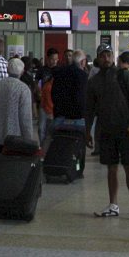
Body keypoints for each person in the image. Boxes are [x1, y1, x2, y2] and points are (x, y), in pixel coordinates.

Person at [85, 45, 129, 222]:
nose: (106, 58)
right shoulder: (94, 81)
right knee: (111, 167)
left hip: (127, 130)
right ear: (97, 58)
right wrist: (87, 131)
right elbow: (89, 109)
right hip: (107, 130)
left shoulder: (124, 75)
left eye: (108, 55)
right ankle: (113, 205)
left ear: (113, 56)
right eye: (102, 55)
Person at [0, 57, 37, 187]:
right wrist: (29, 140)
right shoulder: (23, 89)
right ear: (22, 72)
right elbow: (25, 118)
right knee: (11, 169)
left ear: (7, 70)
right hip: (14, 139)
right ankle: (8, 194)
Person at [51, 48, 90, 176]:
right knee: (78, 147)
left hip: (59, 116)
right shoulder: (82, 75)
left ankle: (59, 166)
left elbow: (54, 94)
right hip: (77, 119)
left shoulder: (59, 73)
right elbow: (81, 98)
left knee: (60, 144)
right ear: (83, 62)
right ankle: (77, 169)